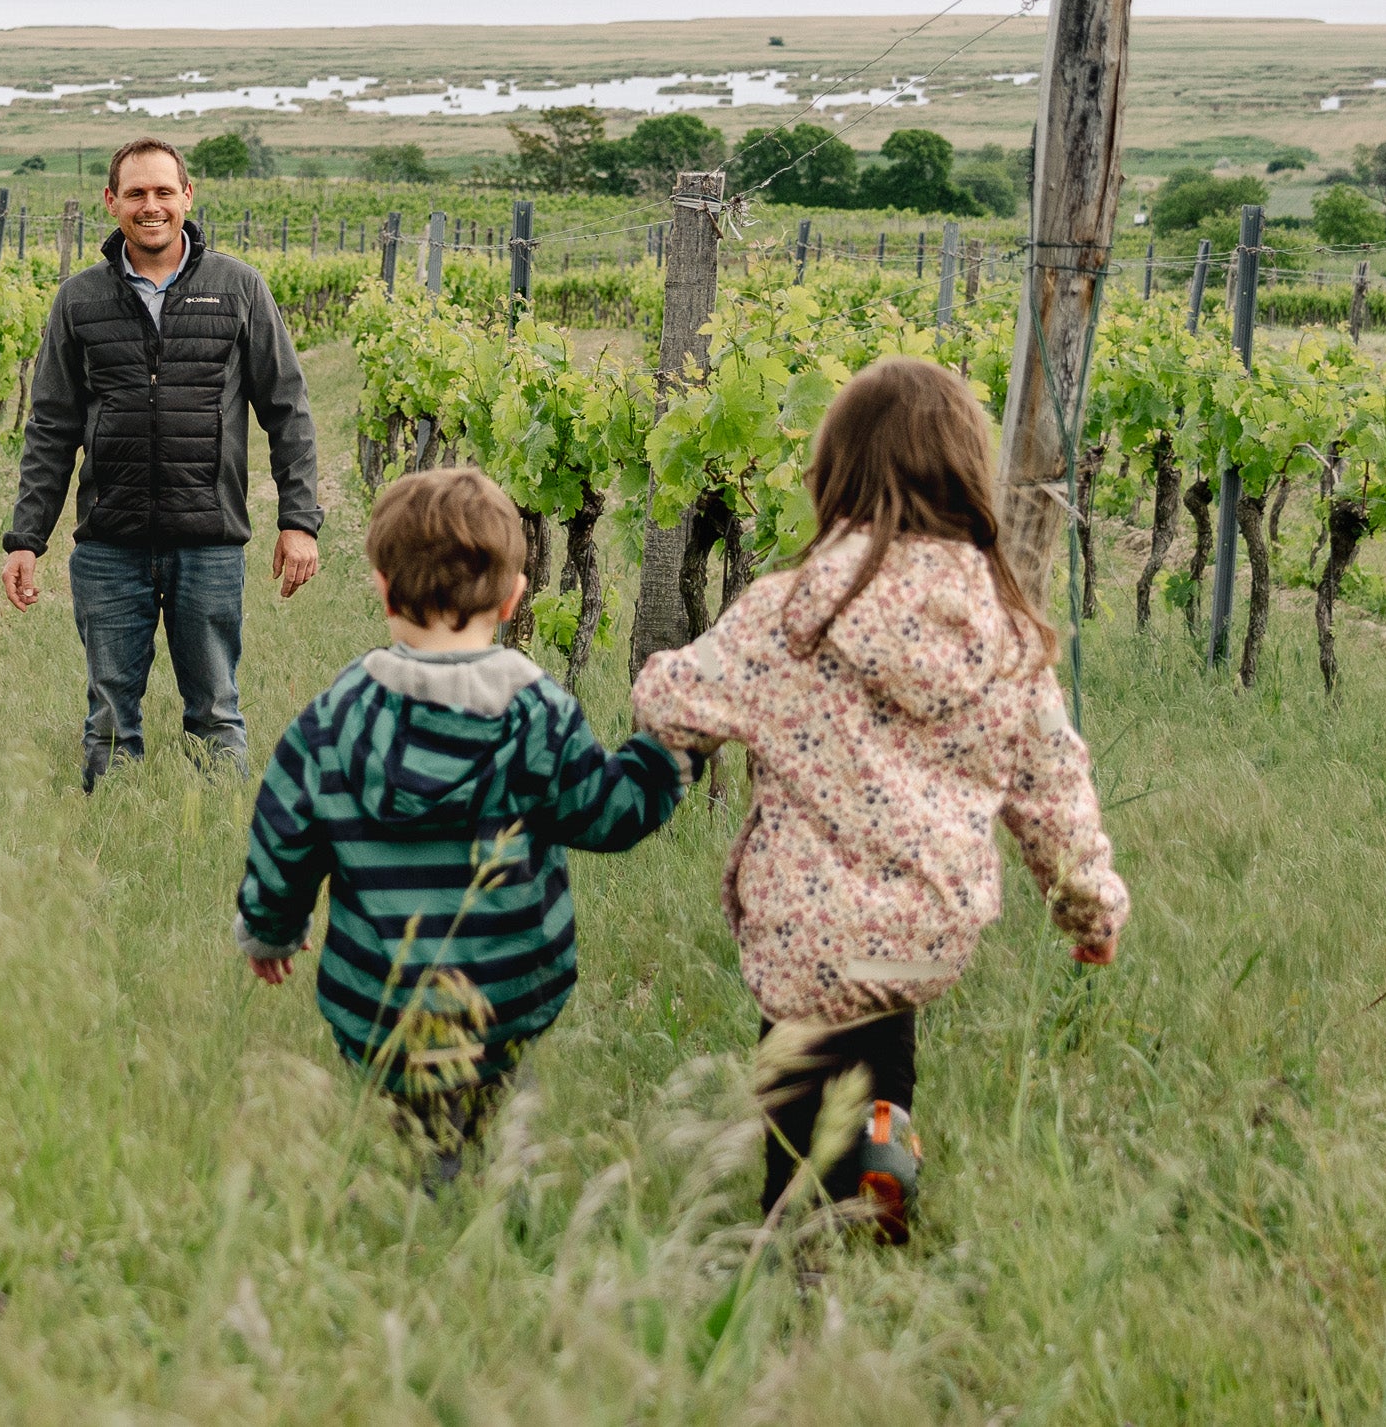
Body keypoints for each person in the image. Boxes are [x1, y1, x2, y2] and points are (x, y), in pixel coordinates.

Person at [630, 354, 1129, 1245]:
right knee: (882, 1018)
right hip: (929, 927)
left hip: (806, 928)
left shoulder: (792, 610)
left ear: (837, 475)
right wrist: (1090, 905)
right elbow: (1055, 789)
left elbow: (674, 701)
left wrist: (673, 700)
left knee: (798, 1081)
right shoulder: (1003, 627)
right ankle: (885, 1139)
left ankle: (801, 1233)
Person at [235, 468, 689, 1180]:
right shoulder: (536, 713)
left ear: (383, 588)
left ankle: (422, 1216)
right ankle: (489, 1227)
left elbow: (284, 833)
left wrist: (270, 928)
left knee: (408, 1148)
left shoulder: (335, 718)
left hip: (381, 998)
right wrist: (665, 754)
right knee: (502, 1135)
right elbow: (609, 812)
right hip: (504, 998)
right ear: (513, 598)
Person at [2, 137, 323, 788]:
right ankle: (108, 844)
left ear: (188, 196)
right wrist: (25, 538)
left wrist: (300, 521)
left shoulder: (238, 288)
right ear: (111, 201)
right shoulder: (79, 300)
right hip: (108, 543)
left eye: (163, 192)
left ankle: (220, 845)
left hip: (207, 540)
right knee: (109, 718)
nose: (151, 206)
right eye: (137, 193)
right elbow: (52, 426)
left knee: (215, 711)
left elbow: (287, 409)